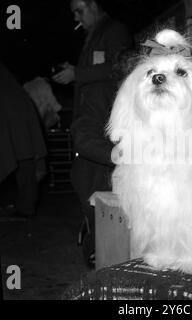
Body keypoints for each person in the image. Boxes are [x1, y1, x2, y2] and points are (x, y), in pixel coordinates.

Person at [52, 0, 133, 267]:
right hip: (90, 123)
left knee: (97, 187)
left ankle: (100, 248)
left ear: (94, 4)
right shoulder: (92, 36)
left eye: (79, 9)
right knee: (86, 182)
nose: (77, 16)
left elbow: (118, 68)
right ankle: (96, 243)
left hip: (106, 122)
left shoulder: (115, 30)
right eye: (73, 11)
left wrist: (78, 73)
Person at [0, 61, 47, 220]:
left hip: (18, 132)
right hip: (22, 134)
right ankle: (25, 207)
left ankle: (25, 208)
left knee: (25, 169)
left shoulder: (9, 90)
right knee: (25, 168)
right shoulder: (14, 88)